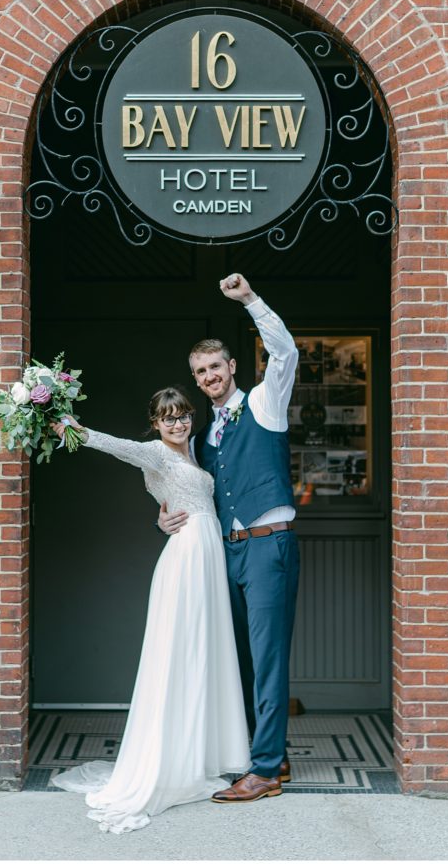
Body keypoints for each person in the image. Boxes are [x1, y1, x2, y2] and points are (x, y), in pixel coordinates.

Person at [49, 388, 250, 833]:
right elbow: (113, 445)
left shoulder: (196, 451)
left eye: (182, 416)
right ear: (156, 423)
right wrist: (71, 429)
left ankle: (195, 756)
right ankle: (167, 762)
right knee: (181, 654)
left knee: (206, 652)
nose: (177, 424)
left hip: (208, 554)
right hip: (186, 560)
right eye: (168, 418)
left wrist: (165, 515)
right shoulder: (155, 453)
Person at [158, 273, 300, 803]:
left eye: (215, 366)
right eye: (200, 372)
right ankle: (268, 755)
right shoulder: (203, 434)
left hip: (268, 545)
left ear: (232, 367)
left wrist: (250, 301)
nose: (209, 375)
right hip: (228, 552)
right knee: (236, 655)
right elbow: (187, 491)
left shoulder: (265, 403)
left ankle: (263, 771)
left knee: (267, 659)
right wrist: (165, 519)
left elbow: (284, 351)